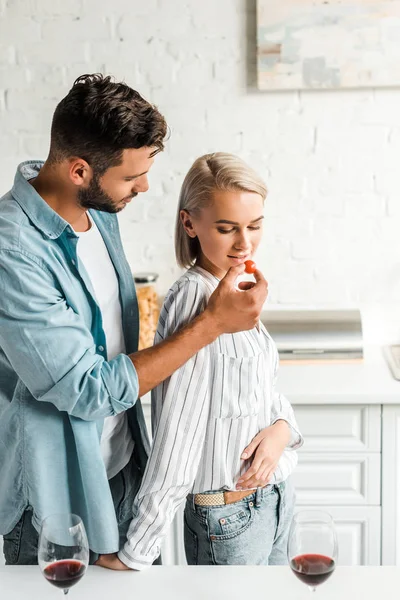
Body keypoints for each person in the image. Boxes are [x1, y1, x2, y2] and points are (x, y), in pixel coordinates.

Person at [0, 77, 268, 565]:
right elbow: (88, 390)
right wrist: (211, 324)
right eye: (131, 177)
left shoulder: (98, 211)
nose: (144, 187)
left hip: (125, 469)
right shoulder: (12, 251)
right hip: (57, 499)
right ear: (79, 170)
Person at [100, 152, 303, 570]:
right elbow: (178, 433)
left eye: (255, 226)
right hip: (229, 519)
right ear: (189, 223)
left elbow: (264, 391)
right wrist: (139, 550)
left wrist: (284, 429)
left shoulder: (238, 288)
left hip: (277, 500)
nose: (244, 243)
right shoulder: (196, 299)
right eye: (227, 228)